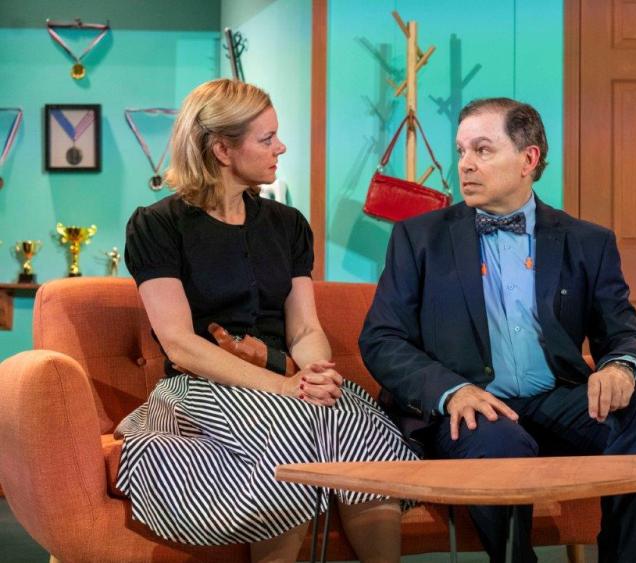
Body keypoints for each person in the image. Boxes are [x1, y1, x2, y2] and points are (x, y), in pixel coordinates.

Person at [359, 98, 636, 563]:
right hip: (473, 408)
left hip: (557, 398)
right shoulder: (418, 238)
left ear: (528, 159)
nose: (465, 164)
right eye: (462, 150)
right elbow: (382, 338)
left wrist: (621, 369)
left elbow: (625, 333)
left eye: (483, 150)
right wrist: (452, 392)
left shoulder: (587, 242)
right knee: (497, 439)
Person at [116, 78, 415, 563]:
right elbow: (179, 344)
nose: (282, 147)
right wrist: (281, 389)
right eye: (266, 138)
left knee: (367, 439)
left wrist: (316, 371)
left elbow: (304, 329)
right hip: (204, 385)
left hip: (289, 381)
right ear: (221, 150)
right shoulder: (157, 225)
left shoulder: (288, 223)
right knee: (295, 432)